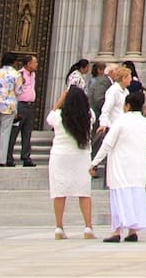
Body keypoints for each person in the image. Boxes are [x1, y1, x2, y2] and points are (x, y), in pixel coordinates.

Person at [93, 92, 146, 242]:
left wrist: (94, 162)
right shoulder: (144, 122)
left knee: (119, 197)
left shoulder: (121, 121)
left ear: (127, 106)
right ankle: (132, 230)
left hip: (121, 165)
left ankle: (116, 231)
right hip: (137, 166)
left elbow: (107, 144)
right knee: (134, 197)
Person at [47, 85, 95, 240]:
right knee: (84, 191)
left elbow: (50, 116)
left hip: (60, 155)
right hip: (81, 155)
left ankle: (59, 227)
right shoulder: (88, 115)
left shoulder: (58, 116)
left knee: (59, 191)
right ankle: (88, 227)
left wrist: (61, 98)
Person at [0, 55, 24, 167]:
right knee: (5, 132)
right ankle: (1, 160)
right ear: (14, 62)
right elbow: (19, 90)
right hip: (9, 105)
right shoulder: (16, 74)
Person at [8, 55, 40, 167]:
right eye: (35, 62)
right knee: (14, 131)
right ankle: (9, 157)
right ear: (28, 64)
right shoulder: (19, 74)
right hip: (20, 105)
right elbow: (14, 91)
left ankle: (26, 157)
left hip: (30, 105)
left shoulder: (33, 75)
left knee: (27, 132)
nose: (36, 65)